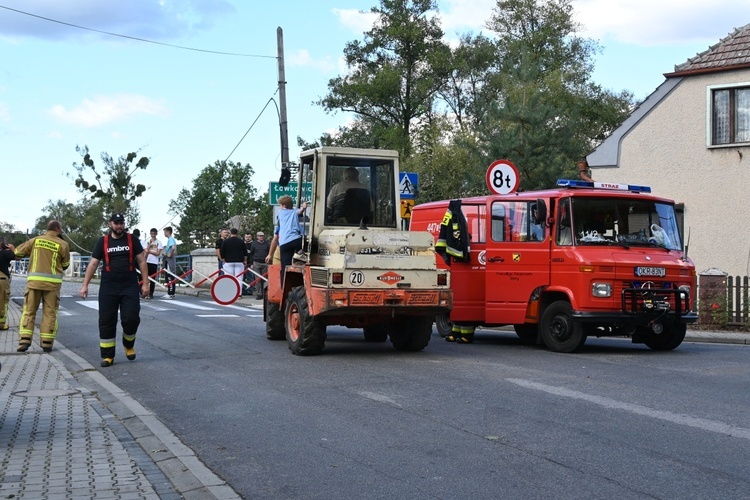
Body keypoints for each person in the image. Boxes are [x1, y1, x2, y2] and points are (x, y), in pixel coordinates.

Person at [79, 213, 149, 367]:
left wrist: (145, 283)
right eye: (116, 223)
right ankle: (108, 356)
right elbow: (93, 264)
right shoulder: (103, 241)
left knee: (131, 318)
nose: (119, 226)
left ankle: (128, 344)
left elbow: (142, 261)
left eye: (121, 223)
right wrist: (85, 285)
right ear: (110, 224)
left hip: (129, 285)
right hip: (108, 287)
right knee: (106, 321)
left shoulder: (132, 240)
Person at [14, 220, 71, 352]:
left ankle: (24, 341)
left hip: (34, 283)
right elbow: (66, 265)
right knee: (49, 313)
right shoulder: (63, 244)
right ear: (57, 229)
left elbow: (18, 252)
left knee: (29, 311)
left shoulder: (35, 240)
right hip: (52, 285)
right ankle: (46, 343)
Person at [266, 195, 308, 283]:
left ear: (284, 206)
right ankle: (302, 256)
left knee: (285, 266)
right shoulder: (294, 212)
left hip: (284, 244)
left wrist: (270, 254)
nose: (280, 207)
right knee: (307, 243)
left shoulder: (280, 213)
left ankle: (283, 285)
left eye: (280, 205)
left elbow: (276, 237)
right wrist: (304, 208)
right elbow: (299, 211)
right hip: (296, 240)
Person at [0, 237, 17, 331]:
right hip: (2, 280)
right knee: (2, 302)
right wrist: (12, 248)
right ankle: (1, 324)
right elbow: (17, 256)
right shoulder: (5, 252)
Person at [248, 231, 270, 299]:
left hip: (265, 263)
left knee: (265, 279)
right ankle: (259, 293)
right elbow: (251, 254)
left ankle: (265, 293)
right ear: (257, 237)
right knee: (257, 279)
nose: (261, 237)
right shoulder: (254, 244)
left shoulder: (267, 244)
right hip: (256, 262)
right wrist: (251, 263)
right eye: (259, 236)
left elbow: (269, 253)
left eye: (262, 236)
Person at [143, 228, 163, 299]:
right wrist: (149, 245)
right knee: (146, 278)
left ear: (156, 234)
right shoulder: (148, 242)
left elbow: (158, 253)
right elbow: (146, 251)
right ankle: (145, 293)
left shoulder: (159, 242)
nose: (153, 235)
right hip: (147, 261)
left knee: (152, 279)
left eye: (154, 234)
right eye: (151, 234)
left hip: (154, 262)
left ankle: (151, 293)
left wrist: (149, 252)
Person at [162, 226, 177, 299]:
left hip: (169, 259)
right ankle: (171, 292)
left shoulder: (171, 239)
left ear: (168, 232)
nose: (164, 233)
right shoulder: (171, 239)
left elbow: (173, 248)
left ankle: (170, 293)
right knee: (170, 275)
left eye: (165, 232)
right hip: (169, 259)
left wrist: (169, 254)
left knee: (170, 275)